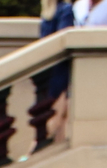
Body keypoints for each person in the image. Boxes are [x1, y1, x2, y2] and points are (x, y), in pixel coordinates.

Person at [34, 0, 78, 145]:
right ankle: (34, 149)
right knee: (57, 113)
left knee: (57, 114)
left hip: (51, 70)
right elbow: (62, 39)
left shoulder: (48, 13)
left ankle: (41, 146)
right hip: (59, 70)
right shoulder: (65, 9)